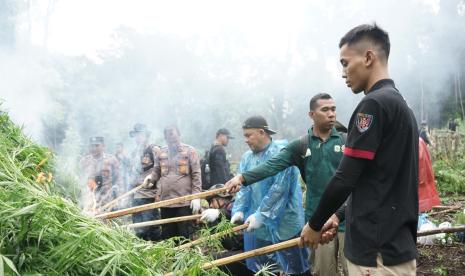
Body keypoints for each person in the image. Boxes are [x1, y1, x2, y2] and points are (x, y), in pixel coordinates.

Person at [298, 24, 419, 275]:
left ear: (368, 57)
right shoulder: (399, 105)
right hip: (394, 246)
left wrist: (314, 223)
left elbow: (346, 177)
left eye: (345, 63)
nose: (343, 72)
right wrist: (339, 215)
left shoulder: (373, 105)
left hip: (375, 254)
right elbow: (376, 181)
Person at [225, 94, 348, 276]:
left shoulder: (348, 141)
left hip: (348, 216)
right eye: (325, 109)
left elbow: (360, 178)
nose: (331, 114)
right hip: (318, 220)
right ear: (312, 114)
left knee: (352, 268)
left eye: (333, 109)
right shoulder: (301, 145)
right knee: (322, 270)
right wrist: (242, 179)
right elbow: (271, 166)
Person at [229, 115, 310, 275]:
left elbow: (279, 190)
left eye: (248, 135)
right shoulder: (247, 157)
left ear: (261, 132)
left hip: (285, 222)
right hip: (258, 225)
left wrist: (261, 215)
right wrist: (239, 209)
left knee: (294, 267)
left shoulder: (282, 153)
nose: (245, 140)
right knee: (264, 267)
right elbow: (244, 188)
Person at [144, 125, 202, 240]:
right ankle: (171, 258)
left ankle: (186, 258)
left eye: (174, 139)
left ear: (179, 136)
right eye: (169, 140)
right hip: (166, 202)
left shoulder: (190, 151)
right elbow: (157, 170)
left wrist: (196, 196)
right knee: (168, 237)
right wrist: (151, 177)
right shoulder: (161, 152)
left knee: (184, 237)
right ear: (165, 139)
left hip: (184, 202)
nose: (172, 142)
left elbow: (196, 175)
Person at [128, 123, 162, 241]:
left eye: (140, 135)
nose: (137, 138)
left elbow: (162, 172)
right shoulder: (134, 153)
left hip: (149, 196)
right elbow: (132, 175)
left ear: (146, 135)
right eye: (135, 135)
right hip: (136, 196)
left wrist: (159, 194)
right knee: (138, 230)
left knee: (152, 229)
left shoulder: (154, 149)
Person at [80, 136, 122, 209]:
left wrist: (119, 197)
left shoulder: (111, 160)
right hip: (90, 201)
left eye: (97, 146)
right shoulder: (85, 161)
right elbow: (80, 180)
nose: (94, 148)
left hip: (107, 200)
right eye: (91, 146)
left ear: (103, 146)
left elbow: (119, 179)